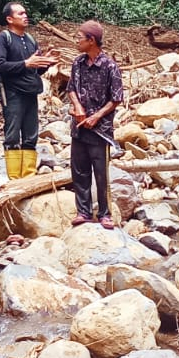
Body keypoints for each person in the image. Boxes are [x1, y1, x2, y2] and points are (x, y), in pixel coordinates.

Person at [0, 2, 57, 179]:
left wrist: (45, 62)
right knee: (12, 135)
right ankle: (14, 179)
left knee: (31, 134)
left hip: (30, 92)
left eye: (25, 13)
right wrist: (26, 63)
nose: (25, 15)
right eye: (20, 13)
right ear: (9, 19)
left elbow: (34, 69)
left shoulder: (30, 39)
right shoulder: (4, 38)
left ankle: (27, 176)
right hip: (12, 93)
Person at [67, 20, 123, 229]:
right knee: (79, 171)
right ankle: (83, 211)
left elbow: (116, 98)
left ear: (92, 41)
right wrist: (78, 107)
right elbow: (71, 89)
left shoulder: (109, 66)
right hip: (79, 127)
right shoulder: (78, 63)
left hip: (100, 131)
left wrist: (96, 116)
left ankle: (105, 213)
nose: (76, 41)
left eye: (79, 38)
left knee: (101, 173)